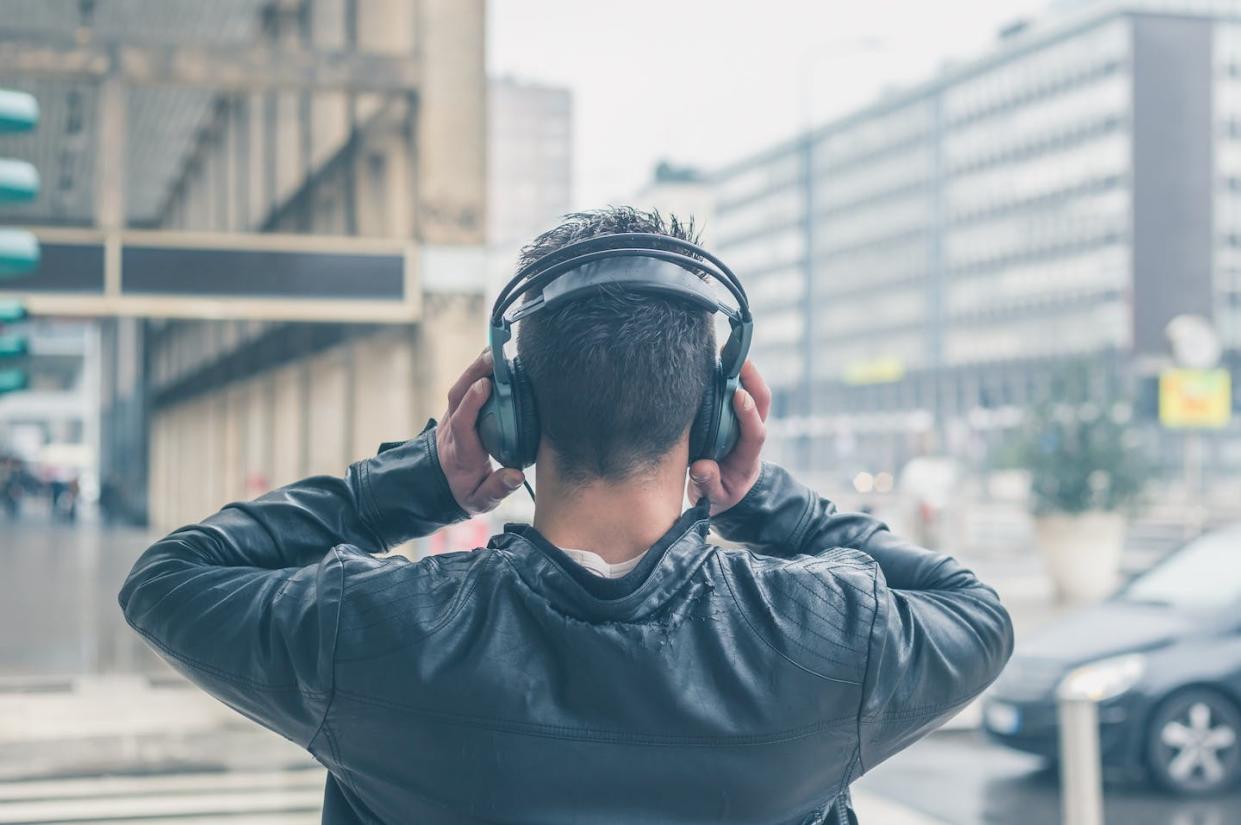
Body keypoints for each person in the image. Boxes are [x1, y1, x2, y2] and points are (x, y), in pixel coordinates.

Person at [119, 208, 1013, 824]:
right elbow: (979, 612)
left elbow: (168, 580)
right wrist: (762, 497)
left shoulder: (373, 632)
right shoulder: (832, 640)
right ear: (713, 413)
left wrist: (418, 481)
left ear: (514, 413)